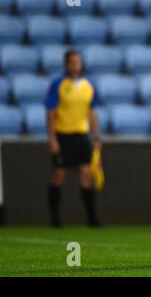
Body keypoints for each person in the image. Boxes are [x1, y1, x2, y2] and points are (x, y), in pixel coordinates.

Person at [44, 49, 102, 228]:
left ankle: (92, 220)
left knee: (86, 175)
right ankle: (55, 220)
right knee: (58, 175)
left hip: (82, 135)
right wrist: (52, 139)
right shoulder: (58, 84)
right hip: (63, 135)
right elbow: (50, 113)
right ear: (66, 64)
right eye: (72, 62)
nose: (75, 64)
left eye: (78, 61)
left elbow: (92, 112)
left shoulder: (88, 85)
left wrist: (96, 135)